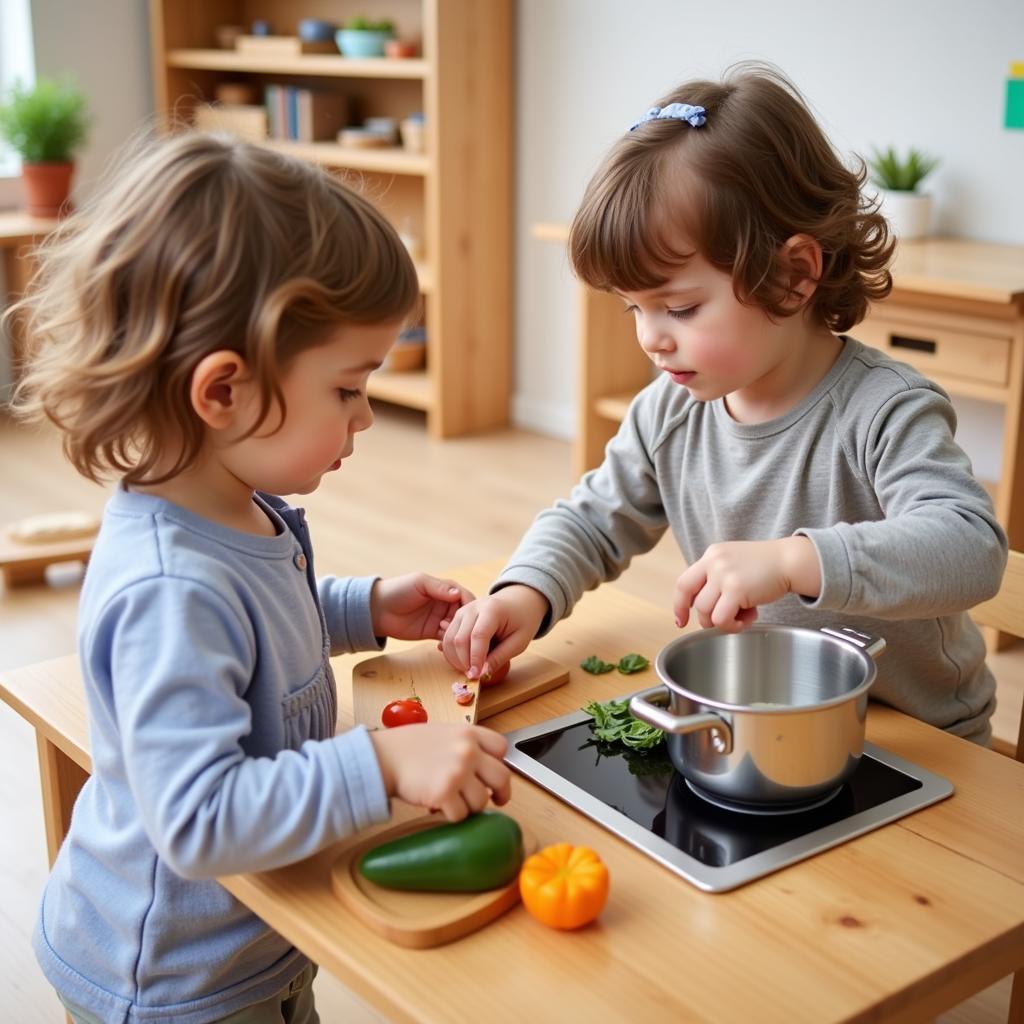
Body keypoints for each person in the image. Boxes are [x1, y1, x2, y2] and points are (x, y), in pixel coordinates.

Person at [8, 131, 511, 1024]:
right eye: (349, 388)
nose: (364, 418)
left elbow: (258, 632)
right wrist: (382, 760)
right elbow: (201, 819)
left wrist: (363, 609)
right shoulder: (169, 589)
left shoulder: (229, 503)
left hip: (254, 937)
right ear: (224, 391)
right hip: (172, 982)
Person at [440, 63, 1006, 744]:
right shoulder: (668, 412)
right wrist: (524, 593)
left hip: (918, 736)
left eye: (679, 307)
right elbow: (593, 520)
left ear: (795, 275)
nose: (650, 338)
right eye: (633, 310)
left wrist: (795, 561)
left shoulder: (886, 409)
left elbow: (971, 547)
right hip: (768, 720)